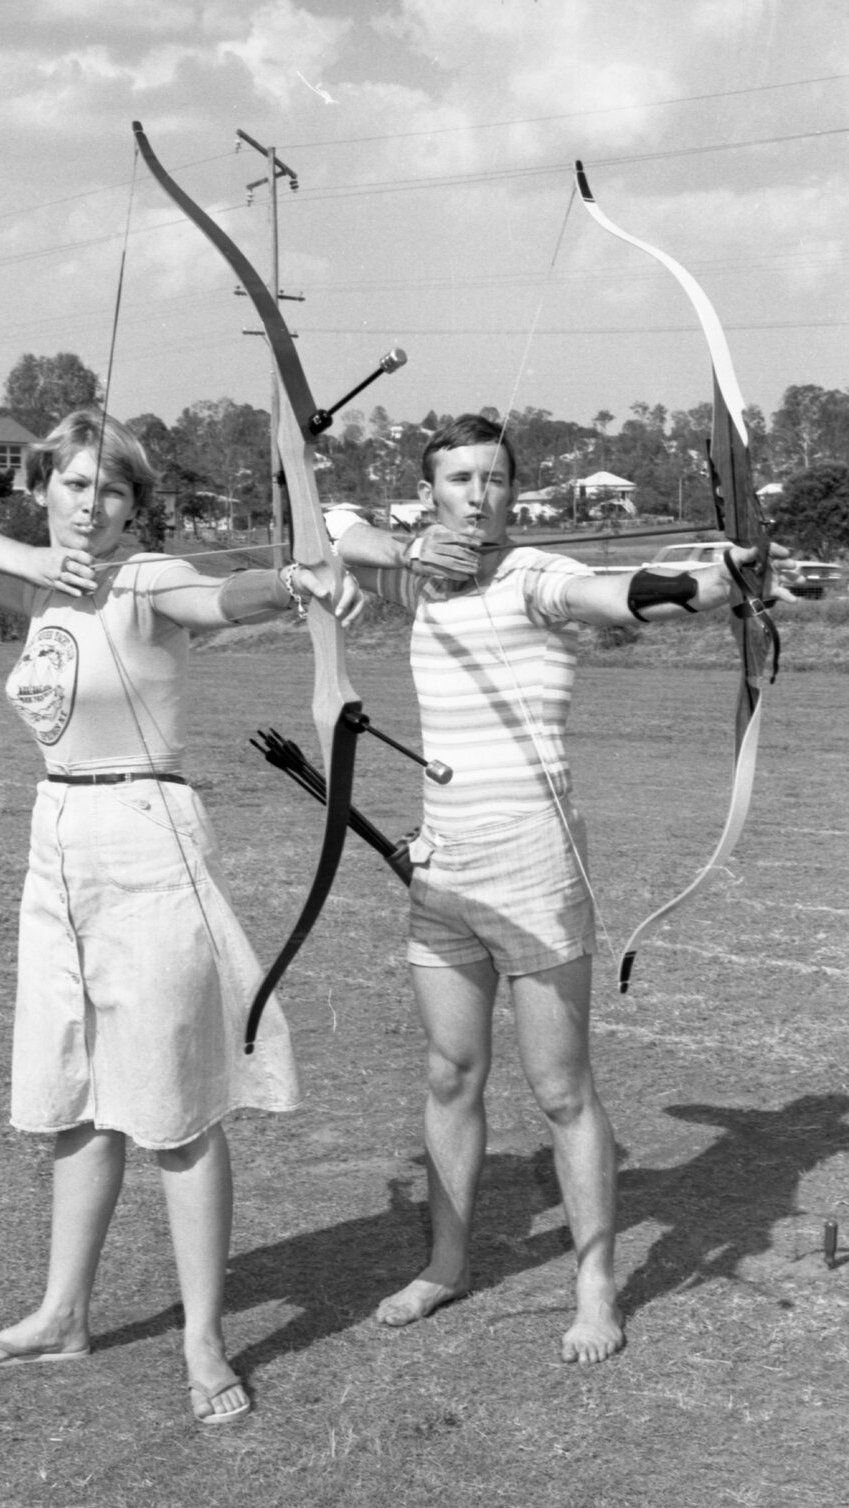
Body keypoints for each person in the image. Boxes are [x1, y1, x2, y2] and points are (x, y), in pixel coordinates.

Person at [0, 410, 356, 1422]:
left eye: (108, 489)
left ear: (133, 505)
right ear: (42, 489)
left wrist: (294, 581)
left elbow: (215, 592)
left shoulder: (144, 577)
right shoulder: (35, 583)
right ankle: (63, 1313)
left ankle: (203, 1336)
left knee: (176, 1106)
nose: (88, 503)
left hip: (148, 834)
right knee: (73, 1092)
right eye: (70, 483)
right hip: (56, 840)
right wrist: (40, 557)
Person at [327, 413, 798, 1365]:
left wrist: (711, 582)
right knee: (450, 1074)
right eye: (459, 478)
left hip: (534, 865)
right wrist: (413, 552)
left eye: (496, 479)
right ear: (432, 492)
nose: (480, 494)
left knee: (560, 1088)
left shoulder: (534, 572)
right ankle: (446, 1265)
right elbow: (334, 522)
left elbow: (619, 594)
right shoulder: (418, 574)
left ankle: (594, 1285)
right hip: (443, 863)